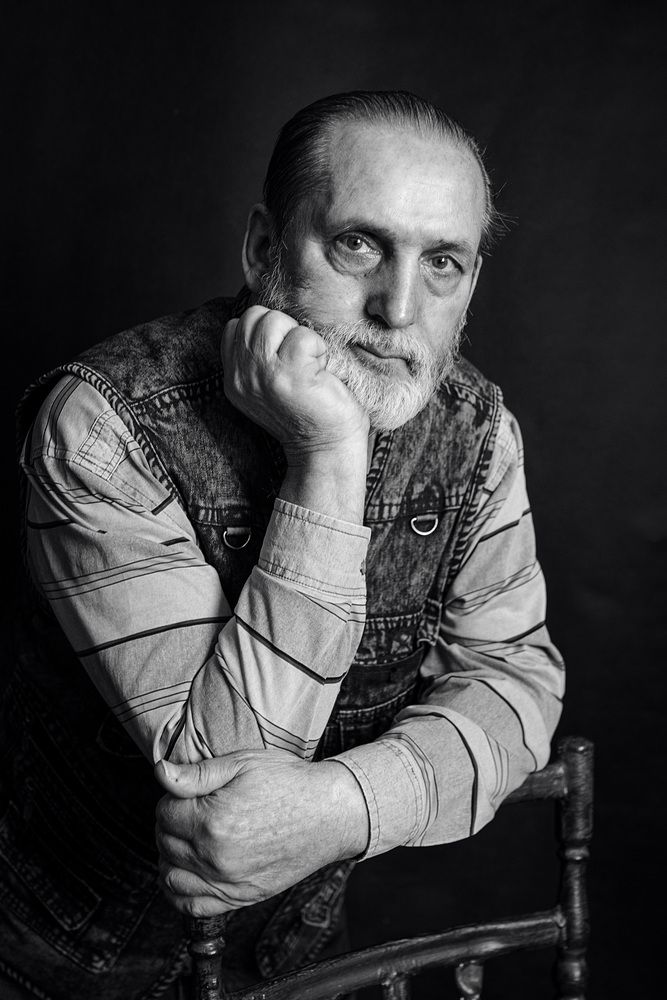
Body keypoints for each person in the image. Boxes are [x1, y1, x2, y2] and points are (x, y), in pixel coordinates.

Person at [0, 90, 564, 999]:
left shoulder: (478, 435)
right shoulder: (100, 429)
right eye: (359, 245)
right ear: (265, 248)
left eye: (443, 263)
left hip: (297, 952)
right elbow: (219, 786)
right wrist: (327, 457)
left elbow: (514, 678)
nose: (398, 308)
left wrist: (346, 807)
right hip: (66, 960)